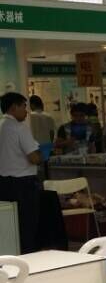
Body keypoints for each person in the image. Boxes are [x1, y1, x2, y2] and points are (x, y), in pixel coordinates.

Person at [0, 92, 43, 253]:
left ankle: (12, 256)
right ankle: (30, 258)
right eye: (24, 107)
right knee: (27, 225)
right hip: (23, 183)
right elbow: (34, 157)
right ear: (13, 107)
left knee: (10, 224)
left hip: (4, 183)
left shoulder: (1, 126)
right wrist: (42, 154)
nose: (27, 111)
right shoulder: (20, 128)